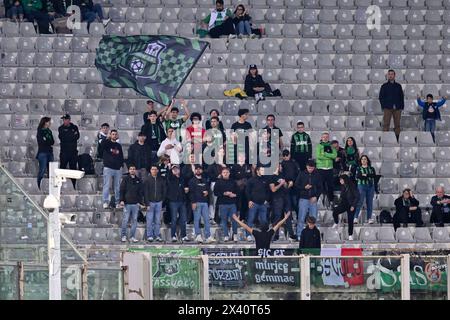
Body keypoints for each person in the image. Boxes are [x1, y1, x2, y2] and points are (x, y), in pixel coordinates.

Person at [295, 160, 322, 239]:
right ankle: (299, 234)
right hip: (303, 199)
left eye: (312, 168)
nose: (311, 169)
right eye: (309, 168)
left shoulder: (317, 175)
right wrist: (304, 187)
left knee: (313, 218)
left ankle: (312, 235)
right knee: (301, 217)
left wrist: (316, 197)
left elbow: (320, 188)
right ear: (306, 166)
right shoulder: (302, 174)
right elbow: (296, 185)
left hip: (313, 199)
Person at [269, 163, 296, 241]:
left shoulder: (283, 175)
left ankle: (291, 234)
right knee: (277, 217)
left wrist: (288, 184)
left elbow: (286, 186)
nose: (281, 167)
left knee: (288, 216)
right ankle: (275, 235)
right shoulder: (272, 177)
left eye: (280, 166)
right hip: (277, 199)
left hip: (286, 197)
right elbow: (273, 189)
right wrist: (281, 184)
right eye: (279, 166)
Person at [189, 165, 216, 243]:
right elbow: (191, 193)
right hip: (196, 202)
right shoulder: (192, 181)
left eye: (199, 169)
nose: (198, 170)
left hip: (204, 202)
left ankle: (208, 236)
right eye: (196, 169)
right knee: (196, 219)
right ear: (194, 171)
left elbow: (208, 190)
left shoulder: (205, 180)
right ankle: (197, 235)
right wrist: (193, 202)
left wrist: (207, 192)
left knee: (207, 220)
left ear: (201, 171)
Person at [119, 165, 144, 243]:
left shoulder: (138, 180)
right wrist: (121, 200)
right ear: (129, 170)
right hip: (127, 203)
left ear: (135, 170)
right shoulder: (125, 179)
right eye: (131, 169)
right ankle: (123, 236)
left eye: (134, 169)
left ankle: (132, 237)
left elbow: (140, 193)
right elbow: (122, 190)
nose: (132, 170)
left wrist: (141, 203)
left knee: (134, 221)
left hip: (135, 204)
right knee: (125, 220)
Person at [245, 166, 271, 241]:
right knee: (250, 219)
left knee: (264, 220)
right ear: (257, 171)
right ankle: (248, 235)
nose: (263, 171)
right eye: (261, 170)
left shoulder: (265, 180)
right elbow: (247, 191)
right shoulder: (251, 180)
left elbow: (268, 191)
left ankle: (264, 235)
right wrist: (249, 200)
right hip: (254, 203)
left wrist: (266, 200)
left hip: (263, 204)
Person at [214, 167, 239, 242]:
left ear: (229, 173)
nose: (225, 174)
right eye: (224, 172)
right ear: (221, 173)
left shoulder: (233, 182)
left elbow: (238, 192)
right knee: (224, 220)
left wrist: (234, 195)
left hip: (232, 204)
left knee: (234, 220)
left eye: (227, 172)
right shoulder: (218, 182)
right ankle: (226, 235)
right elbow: (215, 192)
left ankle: (234, 234)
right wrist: (224, 193)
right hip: (222, 204)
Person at [332, 174, 360, 241]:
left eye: (341, 180)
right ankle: (336, 222)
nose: (340, 181)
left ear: (345, 180)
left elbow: (357, 196)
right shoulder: (342, 186)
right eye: (340, 180)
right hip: (344, 204)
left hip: (351, 205)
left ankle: (350, 235)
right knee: (335, 211)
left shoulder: (352, 186)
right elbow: (342, 197)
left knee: (350, 220)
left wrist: (353, 205)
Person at [379, 69, 404, 141]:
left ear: (394, 75)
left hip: (397, 108)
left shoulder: (398, 86)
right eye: (389, 74)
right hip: (387, 108)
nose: (390, 75)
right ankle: (385, 139)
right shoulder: (384, 86)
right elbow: (381, 97)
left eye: (392, 74)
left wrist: (401, 107)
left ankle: (397, 139)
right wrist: (384, 106)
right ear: (387, 75)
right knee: (386, 124)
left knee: (397, 125)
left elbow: (401, 96)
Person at [102, 129, 124, 209]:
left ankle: (117, 202)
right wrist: (107, 138)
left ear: (117, 135)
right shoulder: (107, 143)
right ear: (110, 135)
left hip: (117, 169)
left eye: (115, 134)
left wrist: (121, 165)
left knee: (117, 186)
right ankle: (105, 202)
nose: (114, 135)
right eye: (113, 134)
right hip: (108, 168)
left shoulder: (118, 146)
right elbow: (102, 145)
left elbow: (121, 156)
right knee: (106, 185)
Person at [144, 165, 167, 242]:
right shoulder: (147, 180)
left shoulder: (161, 180)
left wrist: (162, 200)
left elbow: (164, 190)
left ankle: (157, 235)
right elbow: (145, 193)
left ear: (157, 170)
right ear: (150, 170)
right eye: (152, 169)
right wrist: (147, 203)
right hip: (150, 202)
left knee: (157, 220)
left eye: (155, 169)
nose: (154, 170)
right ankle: (149, 235)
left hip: (158, 202)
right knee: (149, 220)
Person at [166, 165, 189, 242]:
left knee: (183, 219)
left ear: (179, 170)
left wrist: (186, 189)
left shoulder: (182, 178)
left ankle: (184, 235)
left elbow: (186, 186)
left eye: (177, 169)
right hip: (173, 201)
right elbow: (167, 176)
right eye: (174, 169)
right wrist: (169, 168)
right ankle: (173, 235)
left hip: (182, 201)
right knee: (174, 219)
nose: (175, 170)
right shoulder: (170, 178)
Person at [353, 155, 377, 225]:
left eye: (365, 159)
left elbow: (373, 176)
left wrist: (364, 175)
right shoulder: (358, 168)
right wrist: (367, 175)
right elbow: (358, 176)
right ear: (360, 161)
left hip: (370, 186)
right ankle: (356, 217)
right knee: (360, 201)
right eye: (362, 159)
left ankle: (369, 218)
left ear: (367, 160)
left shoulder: (371, 168)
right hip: (361, 186)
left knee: (369, 203)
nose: (363, 160)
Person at [316, 132, 337, 207]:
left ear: (328, 138)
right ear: (321, 138)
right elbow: (318, 156)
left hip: (329, 169)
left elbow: (334, 155)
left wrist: (325, 154)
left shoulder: (331, 146)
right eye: (323, 137)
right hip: (321, 169)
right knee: (320, 186)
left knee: (330, 186)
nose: (325, 138)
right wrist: (329, 156)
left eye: (326, 137)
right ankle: (317, 201)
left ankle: (331, 201)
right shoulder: (319, 146)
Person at [58, 114, 80, 189]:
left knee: (73, 170)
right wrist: (71, 136)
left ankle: (73, 186)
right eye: (63, 119)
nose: (64, 121)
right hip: (64, 152)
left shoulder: (74, 127)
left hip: (73, 152)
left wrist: (68, 136)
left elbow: (77, 137)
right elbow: (63, 138)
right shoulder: (60, 128)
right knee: (62, 169)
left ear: (69, 120)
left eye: (65, 119)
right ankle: (60, 186)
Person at [231, 153, 253, 221]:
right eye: (240, 156)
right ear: (238, 158)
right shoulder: (235, 166)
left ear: (245, 158)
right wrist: (239, 181)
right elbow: (233, 176)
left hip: (246, 188)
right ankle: (236, 218)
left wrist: (244, 180)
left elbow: (249, 176)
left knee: (245, 202)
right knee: (237, 203)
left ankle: (243, 218)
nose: (241, 158)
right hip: (237, 188)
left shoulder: (247, 166)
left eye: (243, 157)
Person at [280, 150, 300, 226]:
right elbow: (280, 175)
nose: (285, 157)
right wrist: (284, 182)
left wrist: (293, 182)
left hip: (294, 187)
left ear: (289, 155)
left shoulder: (294, 163)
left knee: (295, 203)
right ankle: (289, 219)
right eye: (284, 155)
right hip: (285, 187)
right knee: (287, 204)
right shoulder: (281, 164)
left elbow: (298, 175)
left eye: (286, 155)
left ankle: (298, 218)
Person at [36, 117, 54, 189]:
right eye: (48, 122)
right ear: (45, 122)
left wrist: (46, 140)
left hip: (50, 152)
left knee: (51, 171)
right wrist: (47, 141)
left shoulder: (49, 131)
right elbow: (41, 142)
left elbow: (52, 141)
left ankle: (50, 187)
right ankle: (38, 186)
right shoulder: (40, 131)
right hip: (42, 153)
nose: (50, 123)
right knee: (42, 170)